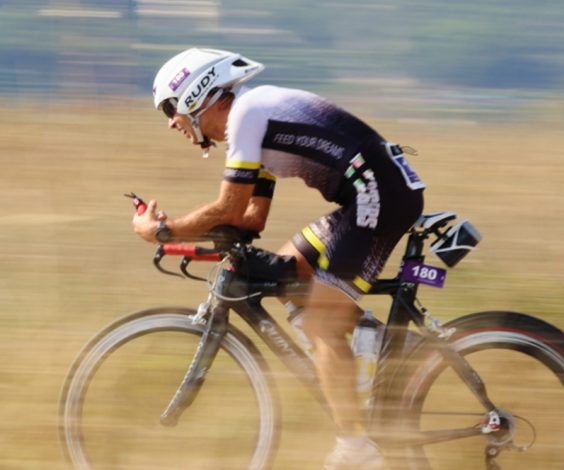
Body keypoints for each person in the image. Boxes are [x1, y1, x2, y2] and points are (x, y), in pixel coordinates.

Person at [132, 47, 425, 469]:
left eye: (170, 108)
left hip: (377, 194)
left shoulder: (247, 116)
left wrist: (162, 230)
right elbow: (251, 218)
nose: (170, 122)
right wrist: (198, 241)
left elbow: (229, 210)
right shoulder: (252, 121)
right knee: (288, 271)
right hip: (371, 192)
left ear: (195, 95)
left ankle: (356, 451)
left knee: (323, 322)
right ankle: (378, 344)